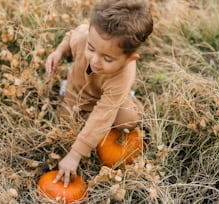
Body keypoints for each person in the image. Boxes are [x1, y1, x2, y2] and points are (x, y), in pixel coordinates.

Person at [45, 0, 153, 187]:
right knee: (67, 123)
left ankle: (129, 99)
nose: (94, 60)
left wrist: (75, 154)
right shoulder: (84, 36)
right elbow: (70, 37)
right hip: (78, 93)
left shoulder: (124, 73)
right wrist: (58, 52)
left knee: (128, 120)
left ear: (129, 59)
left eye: (108, 58)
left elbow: (103, 112)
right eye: (91, 49)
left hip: (108, 100)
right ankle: (68, 96)